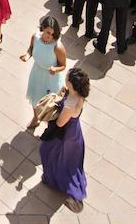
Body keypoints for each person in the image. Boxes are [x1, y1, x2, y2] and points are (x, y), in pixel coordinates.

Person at [39, 67, 89, 211]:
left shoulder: (70, 104)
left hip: (65, 136)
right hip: (75, 133)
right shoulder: (80, 94)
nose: (65, 79)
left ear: (71, 85)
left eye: (67, 78)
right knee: (70, 163)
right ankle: (53, 178)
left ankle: (73, 195)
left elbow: (60, 123)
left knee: (49, 153)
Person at [21, 16, 67, 129]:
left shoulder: (58, 47)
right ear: (42, 28)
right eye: (48, 32)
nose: (50, 36)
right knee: (35, 97)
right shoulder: (35, 37)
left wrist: (55, 69)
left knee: (50, 104)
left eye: (53, 34)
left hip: (51, 78)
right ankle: (35, 118)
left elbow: (63, 65)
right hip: (36, 73)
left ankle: (50, 125)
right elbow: (31, 49)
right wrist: (27, 55)